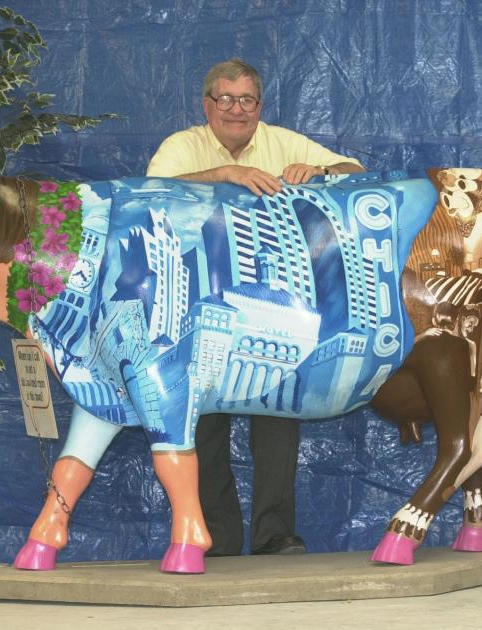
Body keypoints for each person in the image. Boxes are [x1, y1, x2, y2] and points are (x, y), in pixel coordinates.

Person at [146, 58, 365, 556]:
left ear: (259, 106)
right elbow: (150, 192)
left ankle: (274, 535)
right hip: (200, 303)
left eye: (246, 100)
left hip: (276, 301)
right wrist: (223, 173)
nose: (236, 110)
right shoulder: (181, 147)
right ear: (207, 105)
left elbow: (357, 171)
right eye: (225, 99)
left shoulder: (282, 139)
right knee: (204, 418)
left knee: (279, 416)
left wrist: (321, 169)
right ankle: (218, 538)